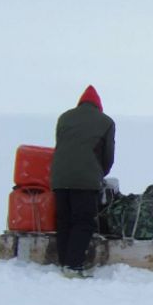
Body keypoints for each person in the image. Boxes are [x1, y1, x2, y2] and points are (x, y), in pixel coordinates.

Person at [50, 85, 115, 278]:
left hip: (59, 177)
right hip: (85, 180)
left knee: (64, 220)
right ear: (99, 105)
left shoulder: (64, 117)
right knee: (84, 221)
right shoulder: (106, 122)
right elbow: (107, 156)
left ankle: (63, 261)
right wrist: (99, 174)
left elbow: (60, 145)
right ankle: (73, 265)